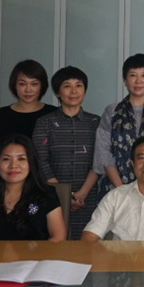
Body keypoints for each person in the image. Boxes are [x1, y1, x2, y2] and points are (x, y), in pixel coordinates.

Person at [32, 66, 102, 240]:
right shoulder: (44, 123)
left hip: (88, 198)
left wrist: (82, 194)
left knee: (86, 247)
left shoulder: (96, 122)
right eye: (67, 86)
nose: (73, 91)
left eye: (78, 85)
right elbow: (40, 160)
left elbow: (100, 160)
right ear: (57, 92)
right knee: (56, 246)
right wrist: (62, 195)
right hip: (52, 198)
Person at [95, 54, 144, 197]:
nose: (138, 81)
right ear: (125, 80)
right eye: (132, 75)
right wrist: (122, 191)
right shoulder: (112, 111)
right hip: (115, 190)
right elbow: (104, 153)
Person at [0, 60, 57, 186]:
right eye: (22, 84)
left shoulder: (53, 114)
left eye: (34, 84)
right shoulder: (0, 116)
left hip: (44, 187)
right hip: (6, 187)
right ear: (14, 85)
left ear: (42, 85)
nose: (28, 90)